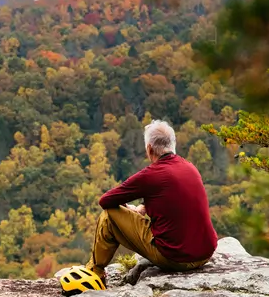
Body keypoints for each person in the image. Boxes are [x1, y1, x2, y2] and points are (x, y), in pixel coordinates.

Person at [85, 119, 218, 286]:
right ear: (172, 144)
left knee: (109, 215)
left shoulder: (150, 174)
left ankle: (94, 272)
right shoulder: (189, 167)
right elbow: (174, 199)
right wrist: (142, 208)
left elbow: (105, 201)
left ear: (149, 148)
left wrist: (129, 210)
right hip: (205, 254)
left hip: (175, 259)